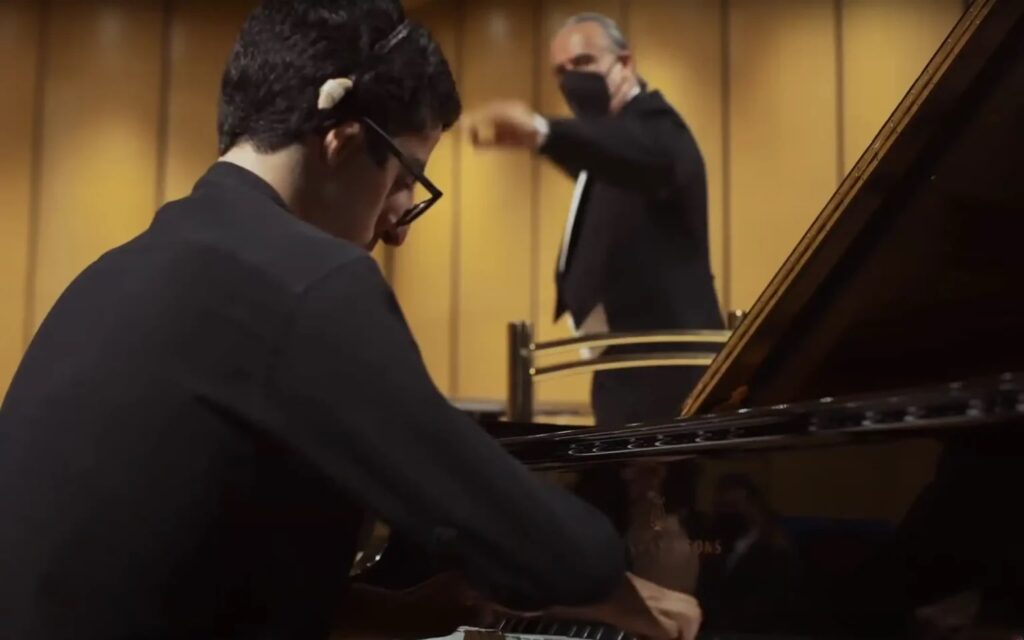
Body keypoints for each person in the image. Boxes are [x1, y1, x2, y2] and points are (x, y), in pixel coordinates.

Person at [0, 2, 700, 639]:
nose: (399, 226)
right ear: (341, 141)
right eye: (404, 180)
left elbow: (175, 575)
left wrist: (395, 612)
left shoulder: (121, 270)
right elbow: (491, 516)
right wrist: (624, 590)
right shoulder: (304, 279)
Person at [468, 13, 724, 426]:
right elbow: (599, 153)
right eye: (561, 72)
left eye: (583, 62)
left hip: (670, 371)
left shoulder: (657, 126)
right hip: (620, 367)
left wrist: (542, 130)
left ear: (625, 63)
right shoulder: (608, 148)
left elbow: (638, 154)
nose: (571, 80)